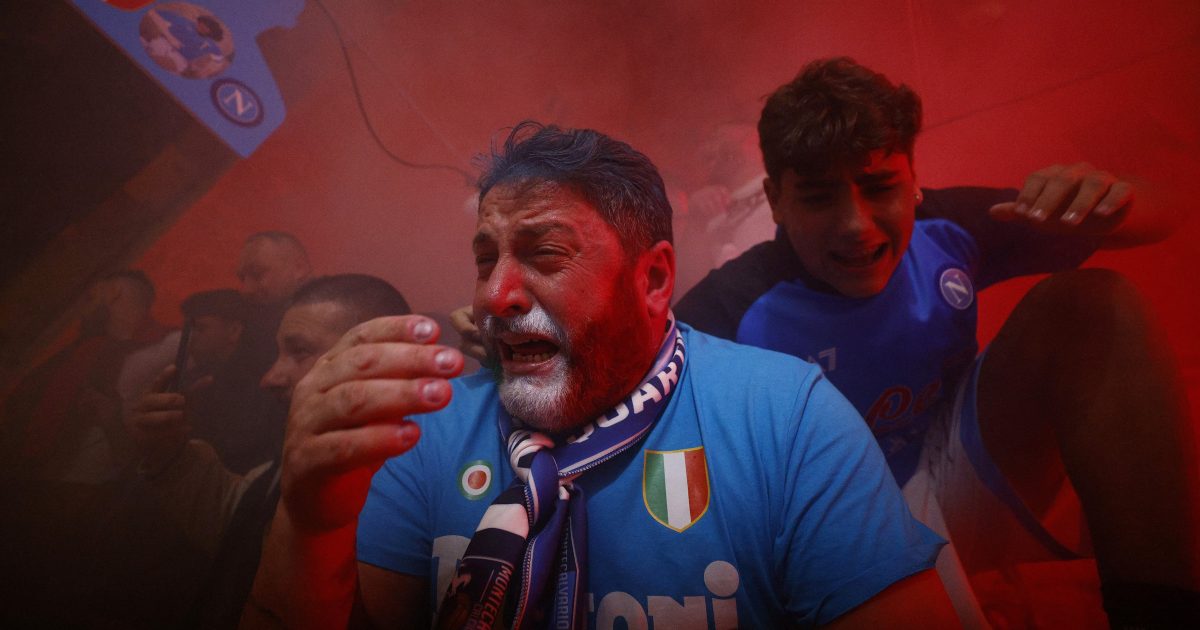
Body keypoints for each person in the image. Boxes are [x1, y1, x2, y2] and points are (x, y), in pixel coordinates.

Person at [246, 122, 958, 629]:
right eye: (485, 257)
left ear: (652, 279)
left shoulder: (786, 419)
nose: (495, 295)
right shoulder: (427, 436)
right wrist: (309, 522)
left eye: (545, 254)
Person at [673, 57, 1199, 628]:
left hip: (954, 467)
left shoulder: (949, 227)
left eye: (879, 188)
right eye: (820, 198)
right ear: (776, 201)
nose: (858, 224)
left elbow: (1169, 211)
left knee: (1094, 304)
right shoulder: (727, 309)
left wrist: (1110, 199)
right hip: (831, 527)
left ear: (915, 180)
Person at [125, 273, 412, 628]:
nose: (270, 377)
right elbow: (242, 522)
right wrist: (169, 455)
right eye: (279, 353)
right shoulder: (302, 457)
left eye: (300, 351)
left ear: (376, 356)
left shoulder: (410, 481)